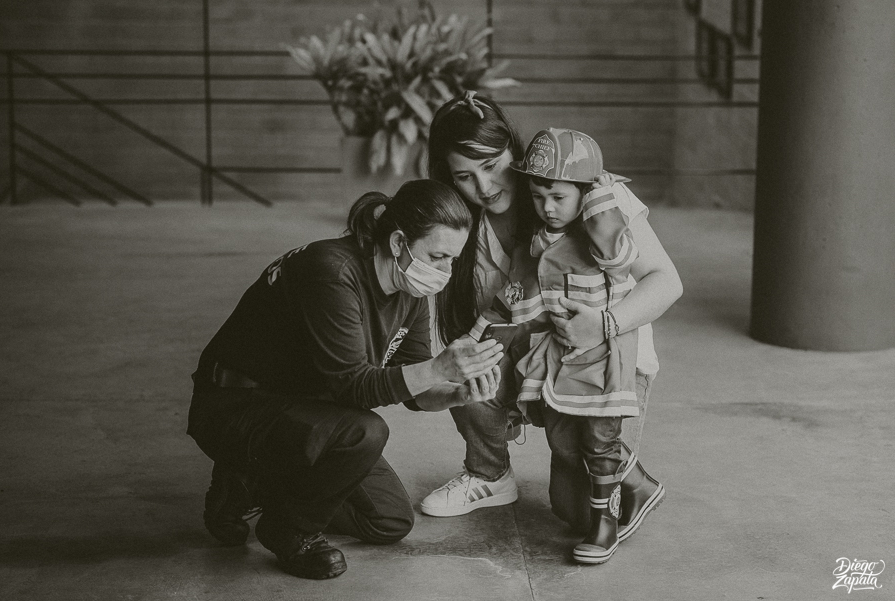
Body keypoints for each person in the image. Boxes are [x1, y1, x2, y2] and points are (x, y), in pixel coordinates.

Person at [186, 179, 505, 580]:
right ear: (398, 242)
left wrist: (457, 394)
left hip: (306, 410)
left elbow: (413, 389)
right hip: (235, 405)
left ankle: (252, 483)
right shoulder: (332, 273)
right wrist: (440, 367)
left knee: (388, 521)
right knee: (364, 432)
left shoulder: (411, 291)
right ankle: (287, 529)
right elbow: (355, 387)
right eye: (439, 256)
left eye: (454, 260)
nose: (445, 272)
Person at [420, 93, 683, 549]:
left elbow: (666, 282)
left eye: (492, 164)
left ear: (515, 152)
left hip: (605, 360)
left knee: (576, 512)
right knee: (467, 355)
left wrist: (603, 323)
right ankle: (489, 473)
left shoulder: (589, 189)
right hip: (536, 359)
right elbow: (494, 318)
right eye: (464, 176)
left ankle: (631, 479)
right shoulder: (465, 229)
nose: (483, 186)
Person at [508, 127, 656, 564]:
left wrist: (598, 202)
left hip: (608, 351)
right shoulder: (546, 236)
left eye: (558, 196)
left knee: (598, 440)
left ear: (585, 193)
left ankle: (604, 527)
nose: (547, 208)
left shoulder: (604, 232)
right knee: (564, 441)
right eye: (537, 196)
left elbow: (622, 260)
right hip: (564, 353)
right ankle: (639, 484)